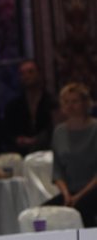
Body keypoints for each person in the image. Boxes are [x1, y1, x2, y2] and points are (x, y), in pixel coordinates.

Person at [44, 83, 97, 227]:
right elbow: (58, 171)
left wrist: (79, 196)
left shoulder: (95, 129)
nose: (70, 106)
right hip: (71, 191)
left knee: (81, 209)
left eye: (75, 101)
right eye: (66, 102)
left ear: (85, 103)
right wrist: (67, 194)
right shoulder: (59, 132)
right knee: (42, 213)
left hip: (92, 189)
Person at [2, 60, 55, 154]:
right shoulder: (13, 106)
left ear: (39, 74)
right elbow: (7, 132)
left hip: (48, 151)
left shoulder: (52, 102)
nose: (26, 76)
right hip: (21, 154)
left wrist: (38, 140)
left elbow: (54, 128)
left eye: (30, 72)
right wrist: (18, 140)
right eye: (22, 73)